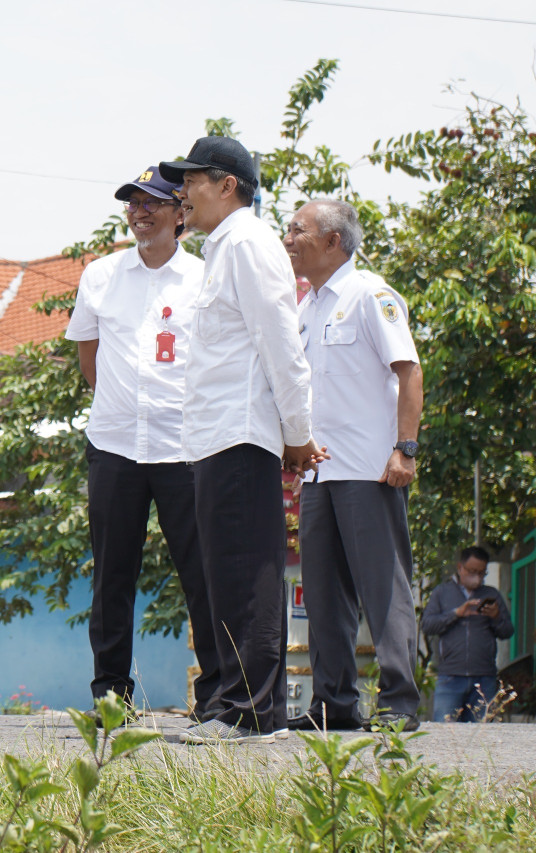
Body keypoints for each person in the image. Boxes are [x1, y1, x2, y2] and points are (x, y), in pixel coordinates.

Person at [159, 137, 322, 744]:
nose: (182, 192)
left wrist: (298, 436)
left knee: (246, 571)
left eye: (192, 180)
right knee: (225, 573)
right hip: (212, 436)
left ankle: (249, 711)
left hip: (240, 434)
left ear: (227, 184)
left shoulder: (249, 245)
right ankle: (238, 705)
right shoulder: (223, 249)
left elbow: (282, 344)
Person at [64, 166, 219, 723]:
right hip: (114, 446)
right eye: (133, 203)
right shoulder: (101, 275)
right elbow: (90, 355)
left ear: (181, 213)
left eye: (153, 202)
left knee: (201, 572)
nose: (140, 211)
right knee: (112, 576)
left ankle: (219, 693)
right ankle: (111, 695)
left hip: (185, 447)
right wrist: (123, 406)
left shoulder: (205, 277)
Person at [283, 199, 425, 733]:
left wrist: (404, 449)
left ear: (333, 242)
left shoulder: (370, 294)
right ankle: (334, 703)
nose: (288, 238)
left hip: (370, 469)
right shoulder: (307, 308)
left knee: (383, 590)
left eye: (298, 230)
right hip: (320, 473)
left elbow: (408, 372)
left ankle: (399, 704)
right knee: (323, 595)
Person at [421, 546, 515, 722]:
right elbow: (427, 626)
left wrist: (496, 617)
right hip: (450, 677)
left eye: (481, 573)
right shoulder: (442, 593)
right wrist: (457, 613)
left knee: (481, 734)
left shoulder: (491, 594)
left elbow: (507, 631)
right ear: (460, 568)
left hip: (484, 678)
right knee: (445, 732)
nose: (477, 577)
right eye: (472, 571)